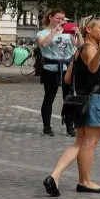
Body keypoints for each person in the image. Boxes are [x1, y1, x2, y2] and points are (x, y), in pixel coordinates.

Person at [43, 16, 100, 196]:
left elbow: (67, 78)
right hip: (96, 100)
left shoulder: (79, 49)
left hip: (82, 100)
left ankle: (56, 175)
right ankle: (84, 181)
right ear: (89, 30)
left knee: (80, 143)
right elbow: (92, 68)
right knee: (89, 144)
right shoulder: (90, 48)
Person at [36, 9, 76, 137]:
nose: (60, 21)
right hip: (50, 69)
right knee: (49, 97)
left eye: (63, 19)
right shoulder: (42, 33)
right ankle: (46, 126)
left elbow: (79, 46)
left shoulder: (68, 33)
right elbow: (44, 43)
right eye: (58, 18)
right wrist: (54, 31)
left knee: (69, 98)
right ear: (51, 18)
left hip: (67, 69)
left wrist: (79, 34)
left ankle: (70, 126)